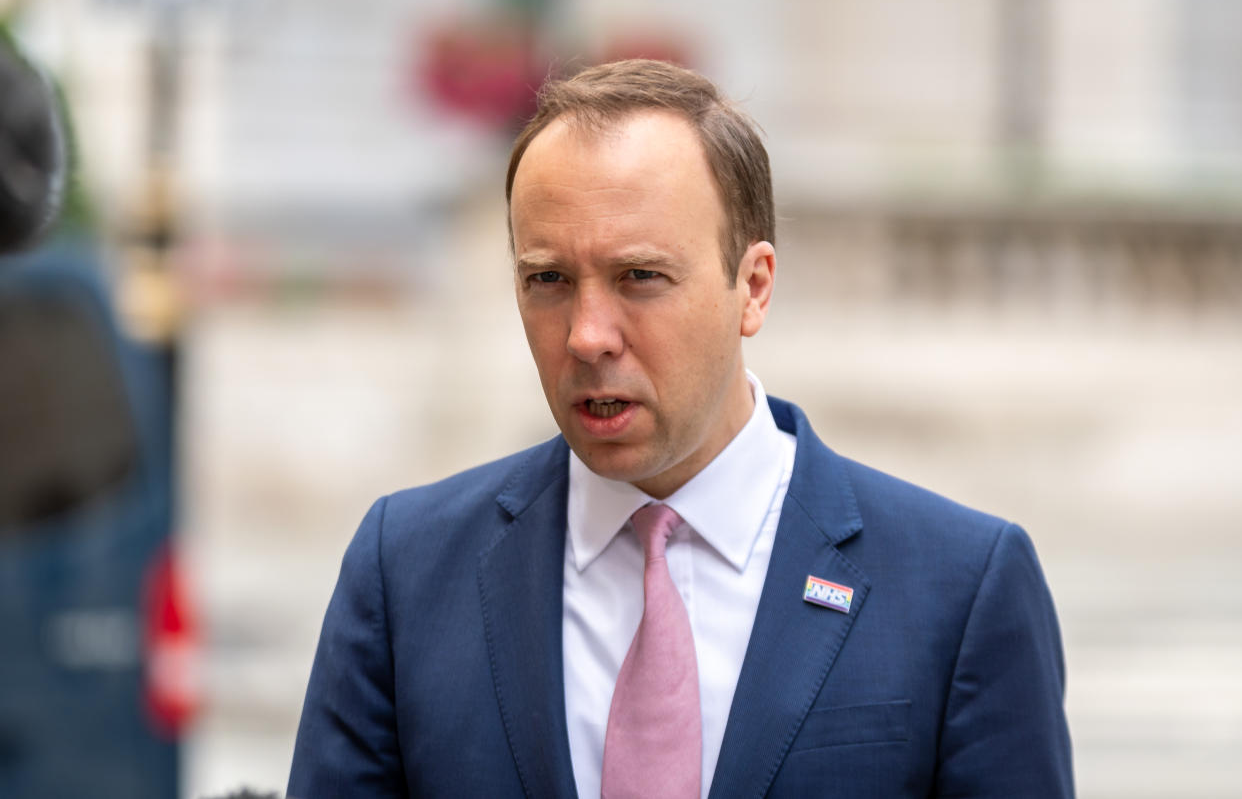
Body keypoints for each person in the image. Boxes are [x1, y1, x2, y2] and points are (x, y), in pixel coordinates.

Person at [288, 59, 1074, 798]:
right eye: (548, 280)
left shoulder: (961, 586)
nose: (587, 334)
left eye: (641, 278)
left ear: (753, 287)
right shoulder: (407, 569)